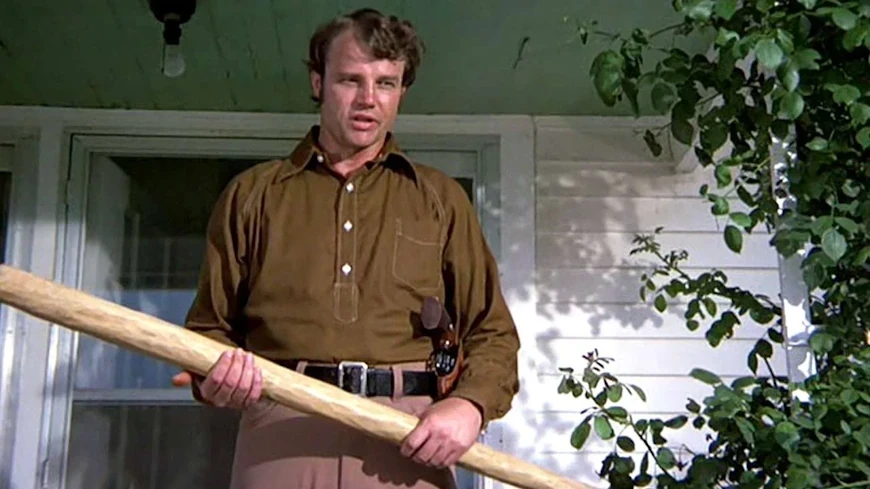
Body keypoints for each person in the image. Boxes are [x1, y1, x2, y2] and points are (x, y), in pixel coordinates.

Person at [171, 8, 520, 489]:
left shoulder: (439, 199)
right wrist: (216, 378)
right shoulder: (252, 195)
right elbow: (208, 330)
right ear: (318, 82)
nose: (368, 99)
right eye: (350, 80)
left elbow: (492, 331)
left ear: (402, 92)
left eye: (386, 83)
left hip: (407, 436)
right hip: (282, 426)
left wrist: (469, 405)